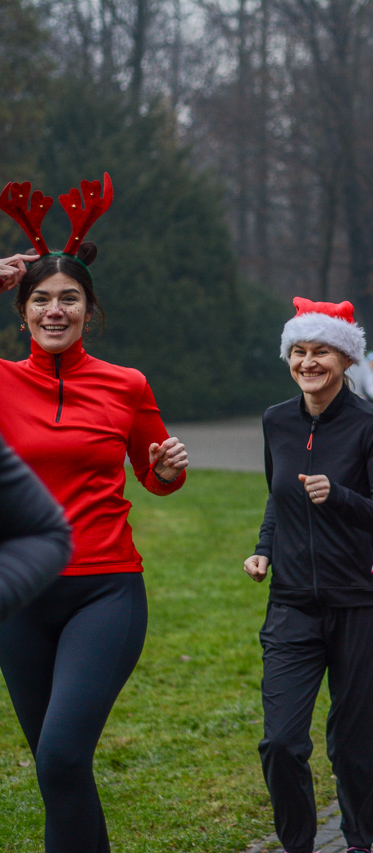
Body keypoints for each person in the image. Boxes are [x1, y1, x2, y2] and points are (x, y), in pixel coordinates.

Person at [0, 175, 190, 853]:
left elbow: (156, 471)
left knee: (58, 756)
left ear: (90, 309)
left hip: (104, 590)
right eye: (42, 299)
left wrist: (167, 471)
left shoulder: (126, 384)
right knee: (62, 774)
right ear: (22, 311)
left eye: (69, 299)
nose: (56, 311)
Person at [244, 297, 373, 853]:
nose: (308, 362)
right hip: (292, 603)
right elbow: (277, 496)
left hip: (360, 603)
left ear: (345, 360)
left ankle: (359, 841)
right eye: (299, 351)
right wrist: (264, 548)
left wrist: (338, 497)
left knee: (353, 747)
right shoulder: (276, 421)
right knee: (282, 742)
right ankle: (298, 845)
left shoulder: (372, 425)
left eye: (321, 352)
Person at [0, 430, 71, 623]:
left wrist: (162, 477)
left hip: (104, 574)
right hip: (24, 590)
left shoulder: (127, 399)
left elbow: (154, 475)